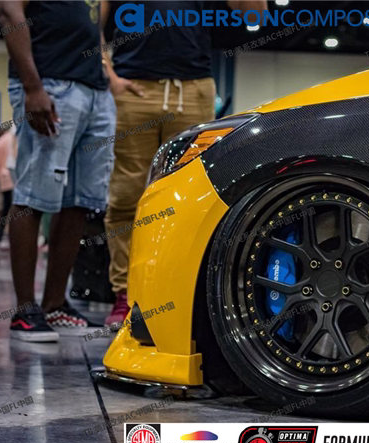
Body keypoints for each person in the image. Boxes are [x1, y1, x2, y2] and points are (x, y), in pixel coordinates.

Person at [100, 0, 267, 327]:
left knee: (189, 199)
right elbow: (92, 21)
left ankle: (175, 295)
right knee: (126, 196)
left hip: (192, 90)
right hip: (133, 88)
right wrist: (109, 75)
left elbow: (255, 15)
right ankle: (125, 294)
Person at [0, 0, 116, 342]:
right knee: (33, 196)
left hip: (94, 90)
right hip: (49, 83)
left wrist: (106, 77)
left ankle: (55, 304)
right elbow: (8, 11)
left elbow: (94, 25)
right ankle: (25, 311)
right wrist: (33, 87)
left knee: (79, 201)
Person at [0, 126, 16, 248]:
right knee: (12, 208)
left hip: (3, 176)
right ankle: (7, 235)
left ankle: (0, 235)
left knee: (5, 208)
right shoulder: (11, 138)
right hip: (12, 176)